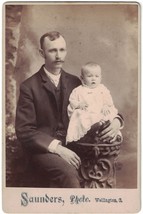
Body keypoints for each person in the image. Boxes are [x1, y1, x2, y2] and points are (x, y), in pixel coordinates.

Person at [15, 31, 123, 188]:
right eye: (52, 50)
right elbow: (24, 131)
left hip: (74, 144)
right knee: (68, 172)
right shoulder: (29, 87)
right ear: (41, 53)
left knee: (101, 166)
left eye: (62, 50)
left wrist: (116, 120)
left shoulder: (75, 82)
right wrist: (57, 148)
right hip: (43, 150)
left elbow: (99, 104)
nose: (58, 55)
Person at [66, 62, 122, 144]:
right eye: (89, 76)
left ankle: (105, 130)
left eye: (97, 76)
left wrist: (106, 105)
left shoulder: (102, 89)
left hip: (100, 111)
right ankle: (90, 132)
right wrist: (79, 104)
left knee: (108, 113)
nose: (93, 79)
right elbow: (72, 101)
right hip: (86, 112)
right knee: (79, 114)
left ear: (100, 78)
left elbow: (108, 99)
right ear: (82, 78)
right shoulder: (78, 90)